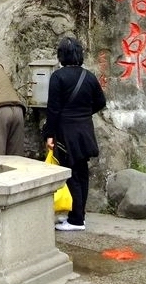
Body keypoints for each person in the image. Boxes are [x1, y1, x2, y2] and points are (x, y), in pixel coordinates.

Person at [43, 37, 106, 231]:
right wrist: (84, 113)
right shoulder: (89, 76)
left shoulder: (58, 77)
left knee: (71, 174)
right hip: (85, 130)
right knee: (82, 173)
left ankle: (76, 220)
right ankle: (79, 215)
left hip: (66, 132)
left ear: (61, 55)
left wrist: (50, 134)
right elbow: (101, 102)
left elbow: (53, 109)